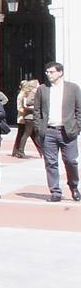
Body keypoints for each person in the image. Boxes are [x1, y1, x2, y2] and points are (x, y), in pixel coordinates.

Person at [35, 61, 81, 202]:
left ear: (60, 72)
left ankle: (74, 186)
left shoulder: (73, 88)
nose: (48, 74)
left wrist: (77, 127)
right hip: (49, 131)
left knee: (71, 161)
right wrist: (39, 127)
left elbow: (79, 109)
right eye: (47, 72)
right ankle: (55, 192)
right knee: (51, 163)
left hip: (68, 132)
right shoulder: (42, 89)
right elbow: (37, 111)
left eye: (51, 72)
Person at [12, 78, 40, 158]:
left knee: (27, 134)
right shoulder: (24, 94)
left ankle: (17, 151)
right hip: (24, 117)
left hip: (26, 117)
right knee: (24, 134)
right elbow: (21, 106)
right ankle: (18, 151)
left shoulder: (28, 93)